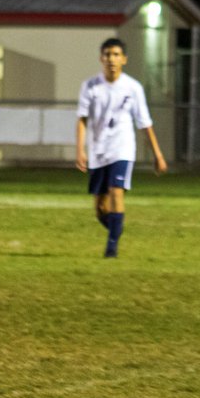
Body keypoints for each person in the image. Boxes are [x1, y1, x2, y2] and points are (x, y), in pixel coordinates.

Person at [76, 38, 167, 258]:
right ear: (101, 58)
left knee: (116, 192)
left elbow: (145, 123)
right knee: (100, 209)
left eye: (116, 55)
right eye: (107, 54)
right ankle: (116, 229)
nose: (111, 59)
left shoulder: (133, 88)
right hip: (98, 151)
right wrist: (80, 150)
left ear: (124, 59)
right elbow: (82, 119)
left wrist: (158, 155)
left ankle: (111, 248)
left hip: (122, 149)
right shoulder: (90, 86)